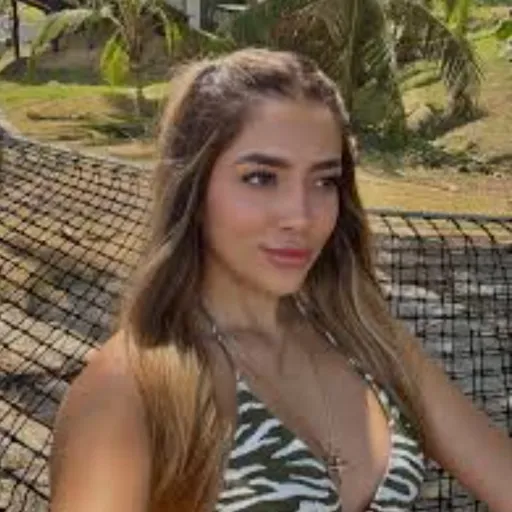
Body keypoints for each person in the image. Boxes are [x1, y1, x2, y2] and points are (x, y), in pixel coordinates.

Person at [49, 48, 512, 512]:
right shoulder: (130, 387)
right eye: (261, 178)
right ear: (193, 186)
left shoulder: (372, 343)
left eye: (324, 181)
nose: (300, 216)